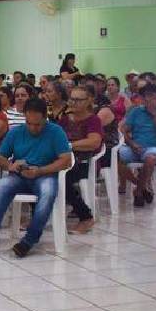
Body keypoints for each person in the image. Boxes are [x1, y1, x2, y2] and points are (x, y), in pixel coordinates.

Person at [0, 98, 72, 257]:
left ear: (45, 118)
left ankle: (29, 240)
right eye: (29, 123)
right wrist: (11, 165)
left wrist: (40, 171)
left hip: (45, 175)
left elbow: (66, 160)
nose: (33, 128)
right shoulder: (16, 132)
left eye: (37, 124)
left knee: (47, 193)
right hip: (19, 175)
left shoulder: (56, 132)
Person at [119, 83, 156, 207]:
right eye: (146, 96)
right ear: (142, 98)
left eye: (152, 96)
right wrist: (131, 143)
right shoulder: (136, 111)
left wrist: (155, 114)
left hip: (153, 147)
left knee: (151, 159)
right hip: (134, 146)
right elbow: (123, 130)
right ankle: (141, 186)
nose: (149, 99)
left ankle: (138, 191)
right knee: (115, 158)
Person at [56, 86, 100, 234]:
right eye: (72, 99)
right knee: (38, 172)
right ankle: (39, 214)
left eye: (78, 100)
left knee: (61, 176)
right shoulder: (65, 119)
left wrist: (70, 145)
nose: (74, 103)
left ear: (88, 101)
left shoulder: (93, 120)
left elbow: (94, 142)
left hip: (82, 161)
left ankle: (85, 216)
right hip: (63, 158)